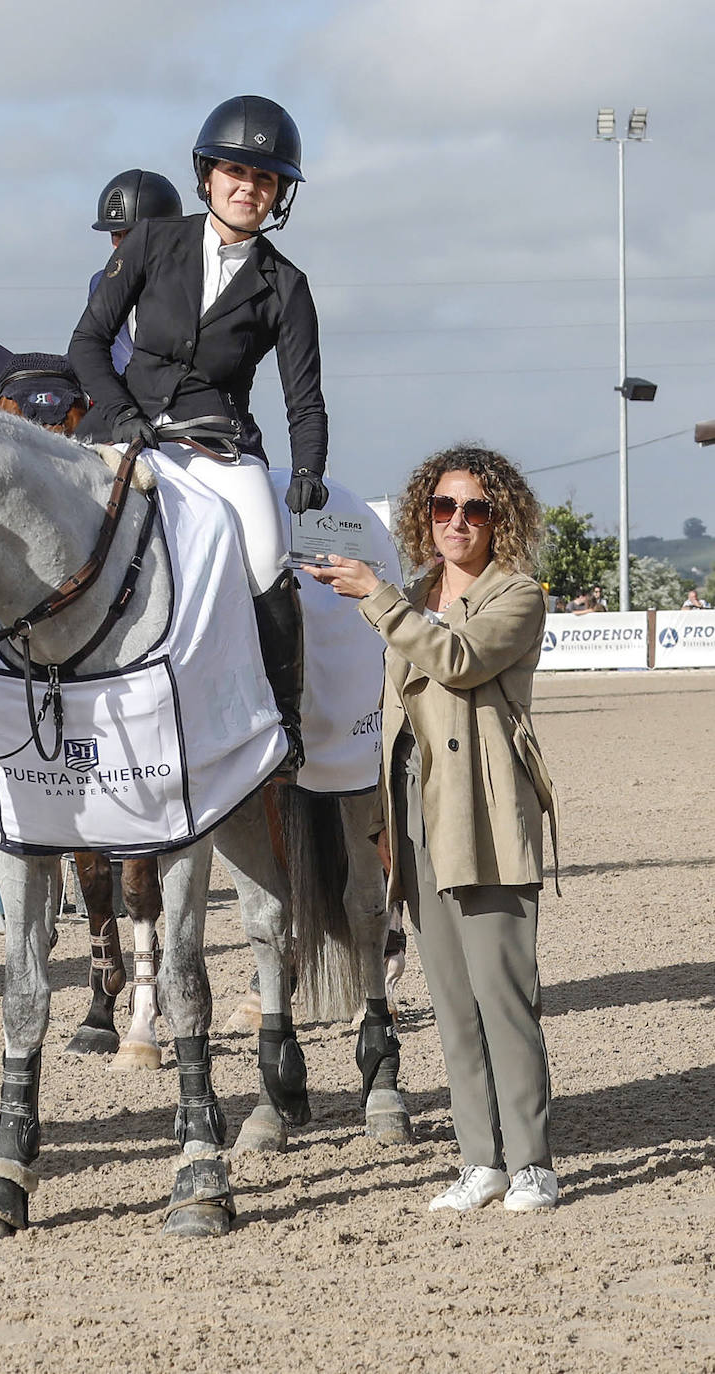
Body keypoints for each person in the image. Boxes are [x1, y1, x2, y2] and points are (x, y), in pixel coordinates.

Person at [303, 444, 560, 1213]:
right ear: (425, 515)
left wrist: (377, 598)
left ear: (498, 519)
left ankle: (532, 1163)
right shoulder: (415, 590)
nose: (457, 522)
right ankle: (480, 1159)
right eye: (443, 507)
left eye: (475, 509)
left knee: (503, 994)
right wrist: (384, 821)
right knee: (451, 998)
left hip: (483, 810)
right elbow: (396, 717)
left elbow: (457, 660)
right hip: (416, 807)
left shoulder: (517, 594)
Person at [69, 94, 329, 769]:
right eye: (236, 173)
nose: (248, 188)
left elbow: (304, 399)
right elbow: (89, 344)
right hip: (125, 432)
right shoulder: (154, 242)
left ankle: (283, 720)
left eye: (265, 179)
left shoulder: (286, 287)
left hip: (220, 446)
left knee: (269, 560)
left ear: (278, 196)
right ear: (207, 174)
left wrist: (308, 471)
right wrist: (124, 417)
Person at [89, 169, 183, 375]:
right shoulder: (100, 283)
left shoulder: (192, 285)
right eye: (116, 234)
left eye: (132, 236)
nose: (120, 247)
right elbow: (89, 349)